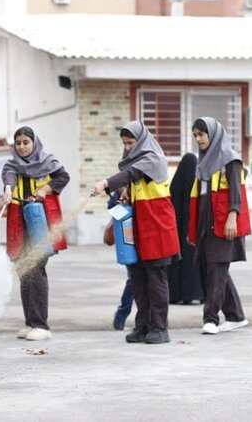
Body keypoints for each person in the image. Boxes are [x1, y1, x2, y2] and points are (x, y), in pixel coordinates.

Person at [91, 121, 180, 345]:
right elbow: (132, 181)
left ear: (141, 141)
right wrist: (124, 195)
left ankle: (160, 328)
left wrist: (105, 183)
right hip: (137, 229)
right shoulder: (134, 161)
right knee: (137, 279)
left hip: (156, 227)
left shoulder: (152, 158)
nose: (128, 147)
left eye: (131, 143)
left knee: (156, 280)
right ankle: (142, 326)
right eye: (125, 144)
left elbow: (131, 173)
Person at [2, 126, 70, 341]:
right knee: (24, 270)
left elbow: (63, 177)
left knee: (36, 270)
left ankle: (41, 325)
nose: (22, 147)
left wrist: (44, 191)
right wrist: (7, 188)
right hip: (19, 222)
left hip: (40, 222)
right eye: (18, 143)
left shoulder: (47, 161)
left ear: (34, 143)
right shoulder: (11, 164)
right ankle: (31, 323)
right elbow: (10, 176)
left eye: (26, 142)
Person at [188, 117, 251, 335]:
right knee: (216, 269)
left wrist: (232, 217)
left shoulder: (230, 159)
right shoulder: (203, 161)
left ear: (213, 135)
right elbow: (200, 196)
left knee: (217, 269)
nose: (198, 139)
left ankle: (211, 319)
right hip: (206, 224)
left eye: (201, 135)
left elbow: (236, 191)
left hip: (224, 224)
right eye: (195, 135)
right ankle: (235, 316)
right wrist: (194, 228)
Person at [168, 153, 205, 305]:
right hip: (193, 231)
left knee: (177, 262)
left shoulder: (175, 185)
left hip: (177, 231)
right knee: (195, 263)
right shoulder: (198, 185)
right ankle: (197, 293)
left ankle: (176, 294)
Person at [104, 191, 134, 331]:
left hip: (143, 234)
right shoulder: (123, 184)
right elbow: (111, 206)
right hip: (129, 238)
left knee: (138, 280)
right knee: (134, 279)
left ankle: (123, 315)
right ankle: (122, 315)